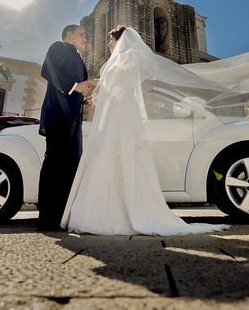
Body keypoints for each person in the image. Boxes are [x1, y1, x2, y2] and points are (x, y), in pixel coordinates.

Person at [61, 25, 228, 235]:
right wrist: (96, 97)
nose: (109, 44)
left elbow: (120, 84)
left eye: (111, 40)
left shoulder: (130, 56)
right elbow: (112, 86)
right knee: (107, 155)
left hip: (121, 112)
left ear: (121, 40)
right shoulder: (118, 60)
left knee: (120, 154)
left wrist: (96, 86)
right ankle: (105, 210)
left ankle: (121, 212)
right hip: (112, 111)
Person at [37, 24, 93, 231]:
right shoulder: (59, 47)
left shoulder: (79, 59)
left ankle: (61, 215)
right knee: (54, 164)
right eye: (81, 33)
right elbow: (46, 70)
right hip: (58, 117)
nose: (84, 37)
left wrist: (83, 98)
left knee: (70, 167)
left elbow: (75, 90)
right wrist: (74, 86)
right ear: (68, 35)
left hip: (73, 121)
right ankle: (46, 217)